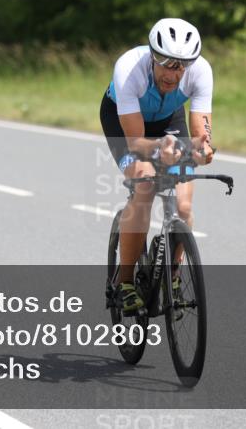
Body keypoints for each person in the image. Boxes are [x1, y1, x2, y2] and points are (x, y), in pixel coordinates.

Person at [100, 18, 215, 314]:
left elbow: (202, 133)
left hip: (169, 119)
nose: (173, 73)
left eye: (182, 65)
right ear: (152, 56)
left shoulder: (201, 72)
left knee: (185, 206)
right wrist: (158, 149)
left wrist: (202, 150)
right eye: (166, 62)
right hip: (124, 122)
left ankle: (172, 275)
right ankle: (124, 283)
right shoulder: (129, 70)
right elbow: (137, 141)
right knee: (145, 183)